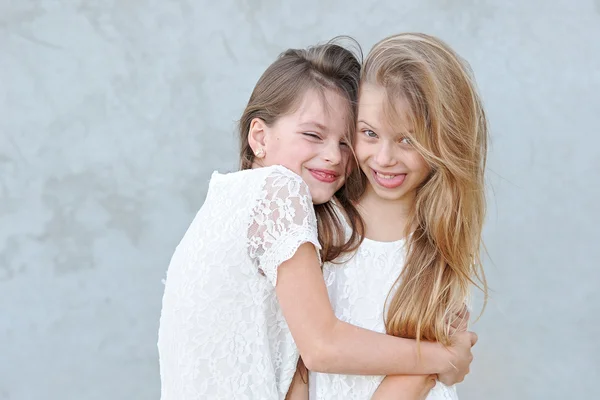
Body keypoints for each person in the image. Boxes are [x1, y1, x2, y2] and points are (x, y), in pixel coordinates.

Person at [157, 38, 477, 400]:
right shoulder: (281, 193)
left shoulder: (235, 206)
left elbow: (295, 370)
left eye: (345, 142)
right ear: (258, 136)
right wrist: (444, 357)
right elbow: (320, 346)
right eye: (313, 135)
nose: (333, 157)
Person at [308, 32, 489, 400]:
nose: (385, 158)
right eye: (370, 133)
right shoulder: (321, 220)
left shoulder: (442, 241)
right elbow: (293, 354)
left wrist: (443, 360)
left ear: (444, 141)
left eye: (408, 140)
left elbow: (421, 377)